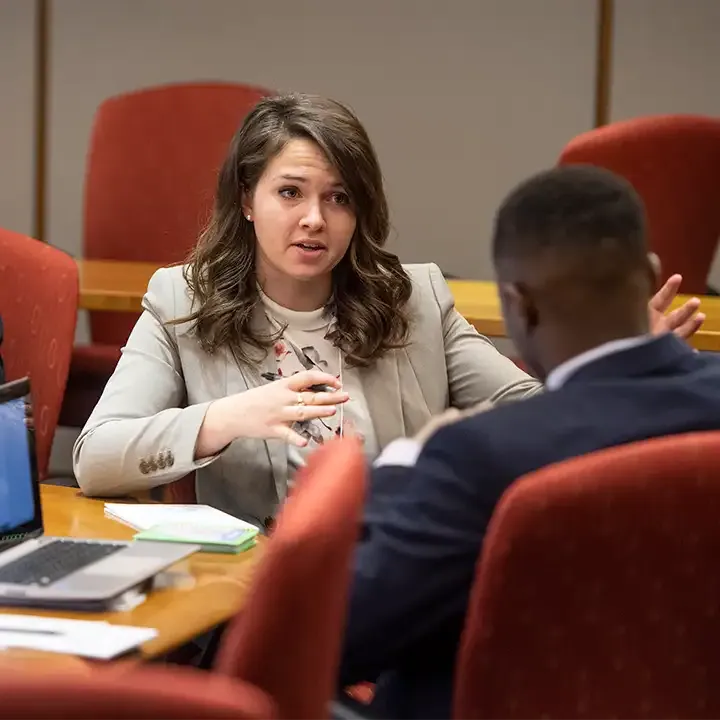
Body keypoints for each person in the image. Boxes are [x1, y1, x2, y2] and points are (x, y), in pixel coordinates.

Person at [72, 93, 702, 527]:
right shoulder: (182, 301)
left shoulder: (413, 299)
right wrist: (228, 417)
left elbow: (534, 411)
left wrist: (615, 359)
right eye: (290, 193)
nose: (315, 219)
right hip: (256, 588)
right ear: (245, 199)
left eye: (339, 198)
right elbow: (97, 457)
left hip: (399, 562)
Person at [337, 166, 720, 720]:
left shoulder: (479, 460)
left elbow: (341, 638)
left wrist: (399, 467)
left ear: (520, 304)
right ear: (651, 272)